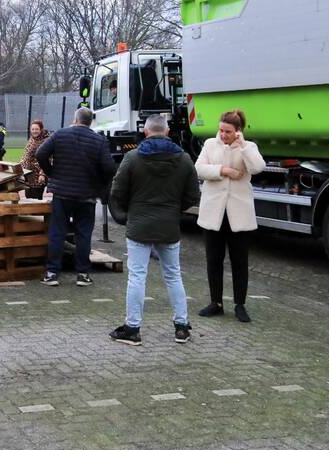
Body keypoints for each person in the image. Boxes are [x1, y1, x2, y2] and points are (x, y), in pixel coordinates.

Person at [108, 114, 201, 346]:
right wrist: (174, 210)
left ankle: (132, 328)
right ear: (167, 132)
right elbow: (193, 195)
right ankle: (181, 326)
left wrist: (130, 212)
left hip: (139, 224)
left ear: (146, 132)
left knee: (137, 277)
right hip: (169, 225)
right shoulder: (184, 159)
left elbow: (117, 191)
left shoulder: (132, 157)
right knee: (173, 275)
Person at [195, 109, 266, 323]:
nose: (223, 134)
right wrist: (223, 171)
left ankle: (240, 304)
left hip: (238, 213)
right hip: (214, 212)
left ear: (238, 131)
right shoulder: (209, 144)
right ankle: (216, 302)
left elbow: (258, 167)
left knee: (239, 261)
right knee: (213, 259)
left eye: (228, 131)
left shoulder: (248, 147)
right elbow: (199, 168)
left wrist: (243, 147)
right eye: (221, 130)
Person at [36, 107, 117, 287]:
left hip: (62, 193)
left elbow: (40, 154)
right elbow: (110, 168)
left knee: (57, 232)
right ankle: (82, 274)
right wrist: (98, 185)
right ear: (91, 122)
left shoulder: (60, 135)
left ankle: (51, 273)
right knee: (83, 234)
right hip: (86, 195)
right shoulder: (99, 140)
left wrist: (52, 174)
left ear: (75, 119)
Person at [19, 120, 50, 200]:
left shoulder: (45, 142)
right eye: (32, 129)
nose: (34, 131)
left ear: (41, 129)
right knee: (28, 199)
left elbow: (48, 159)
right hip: (27, 176)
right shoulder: (32, 139)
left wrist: (42, 174)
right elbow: (25, 156)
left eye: (36, 129)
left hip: (37, 178)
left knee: (36, 200)